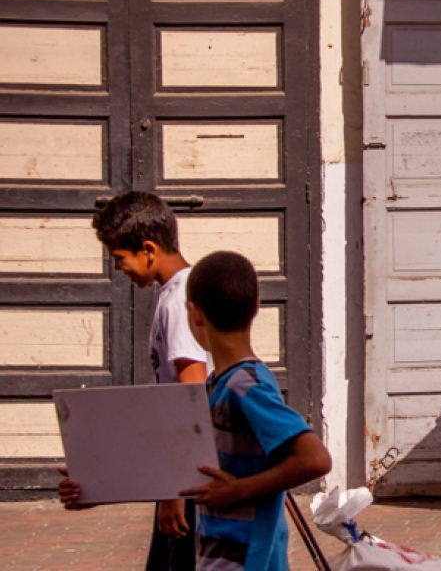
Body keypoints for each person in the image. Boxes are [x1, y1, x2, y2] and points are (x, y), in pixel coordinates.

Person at [59, 190, 209, 570]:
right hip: (184, 472)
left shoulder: (179, 300)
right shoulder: (174, 294)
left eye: (119, 259)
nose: (118, 269)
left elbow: (192, 393)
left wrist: (173, 490)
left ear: (148, 249)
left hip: (190, 479)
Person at [179, 251, 332, 570]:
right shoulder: (218, 384)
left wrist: (238, 490)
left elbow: (315, 459)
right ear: (257, 306)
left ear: (195, 313)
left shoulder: (245, 385)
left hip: (247, 557)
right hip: (220, 550)